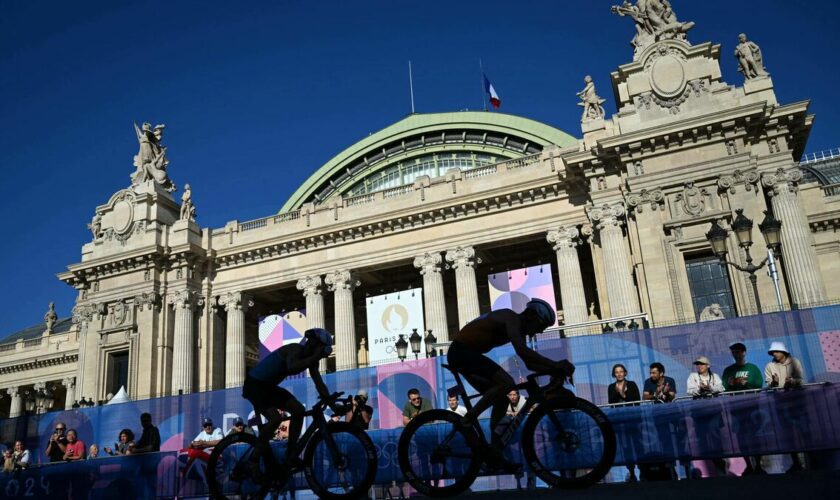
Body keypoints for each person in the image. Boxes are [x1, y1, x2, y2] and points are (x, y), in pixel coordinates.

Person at [447, 298, 572, 471]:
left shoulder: (518, 329)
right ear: (532, 316)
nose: (540, 331)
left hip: (465, 353)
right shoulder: (511, 317)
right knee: (507, 383)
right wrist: (556, 365)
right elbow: (522, 351)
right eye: (541, 326)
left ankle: (494, 452)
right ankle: (469, 418)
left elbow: (529, 364)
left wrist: (553, 369)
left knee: (501, 398)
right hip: (461, 351)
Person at [242, 327, 334, 469]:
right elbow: (292, 367)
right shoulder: (294, 349)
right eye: (322, 349)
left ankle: (291, 454)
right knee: (276, 419)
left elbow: (320, 384)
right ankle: (253, 460)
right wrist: (314, 357)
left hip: (267, 387)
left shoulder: (311, 360)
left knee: (299, 410)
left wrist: (334, 406)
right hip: (254, 385)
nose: (322, 355)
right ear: (313, 343)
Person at [764, 341, 807, 473]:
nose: (775, 354)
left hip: (797, 402)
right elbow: (769, 384)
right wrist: (774, 383)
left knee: (803, 430)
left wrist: (792, 382)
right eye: (773, 352)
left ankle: (809, 459)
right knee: (788, 433)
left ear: (783, 352)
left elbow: (800, 379)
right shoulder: (769, 366)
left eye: (776, 351)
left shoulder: (795, 362)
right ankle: (796, 462)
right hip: (781, 403)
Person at [723, 342, 765, 474]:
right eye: (733, 352)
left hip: (752, 407)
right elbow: (725, 386)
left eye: (738, 352)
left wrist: (746, 384)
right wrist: (734, 384)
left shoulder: (753, 368)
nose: (736, 355)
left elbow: (758, 384)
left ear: (744, 352)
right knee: (741, 437)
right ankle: (748, 465)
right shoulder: (728, 370)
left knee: (755, 435)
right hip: (736, 409)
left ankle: (758, 464)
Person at [608, 363, 641, 482]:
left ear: (625, 373)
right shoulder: (611, 387)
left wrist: (623, 395)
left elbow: (636, 400)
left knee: (637, 444)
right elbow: (611, 403)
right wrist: (617, 394)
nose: (619, 374)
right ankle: (631, 471)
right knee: (626, 446)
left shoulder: (631, 384)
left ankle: (642, 470)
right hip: (620, 421)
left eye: (621, 371)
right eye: (616, 372)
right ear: (614, 374)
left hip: (633, 419)